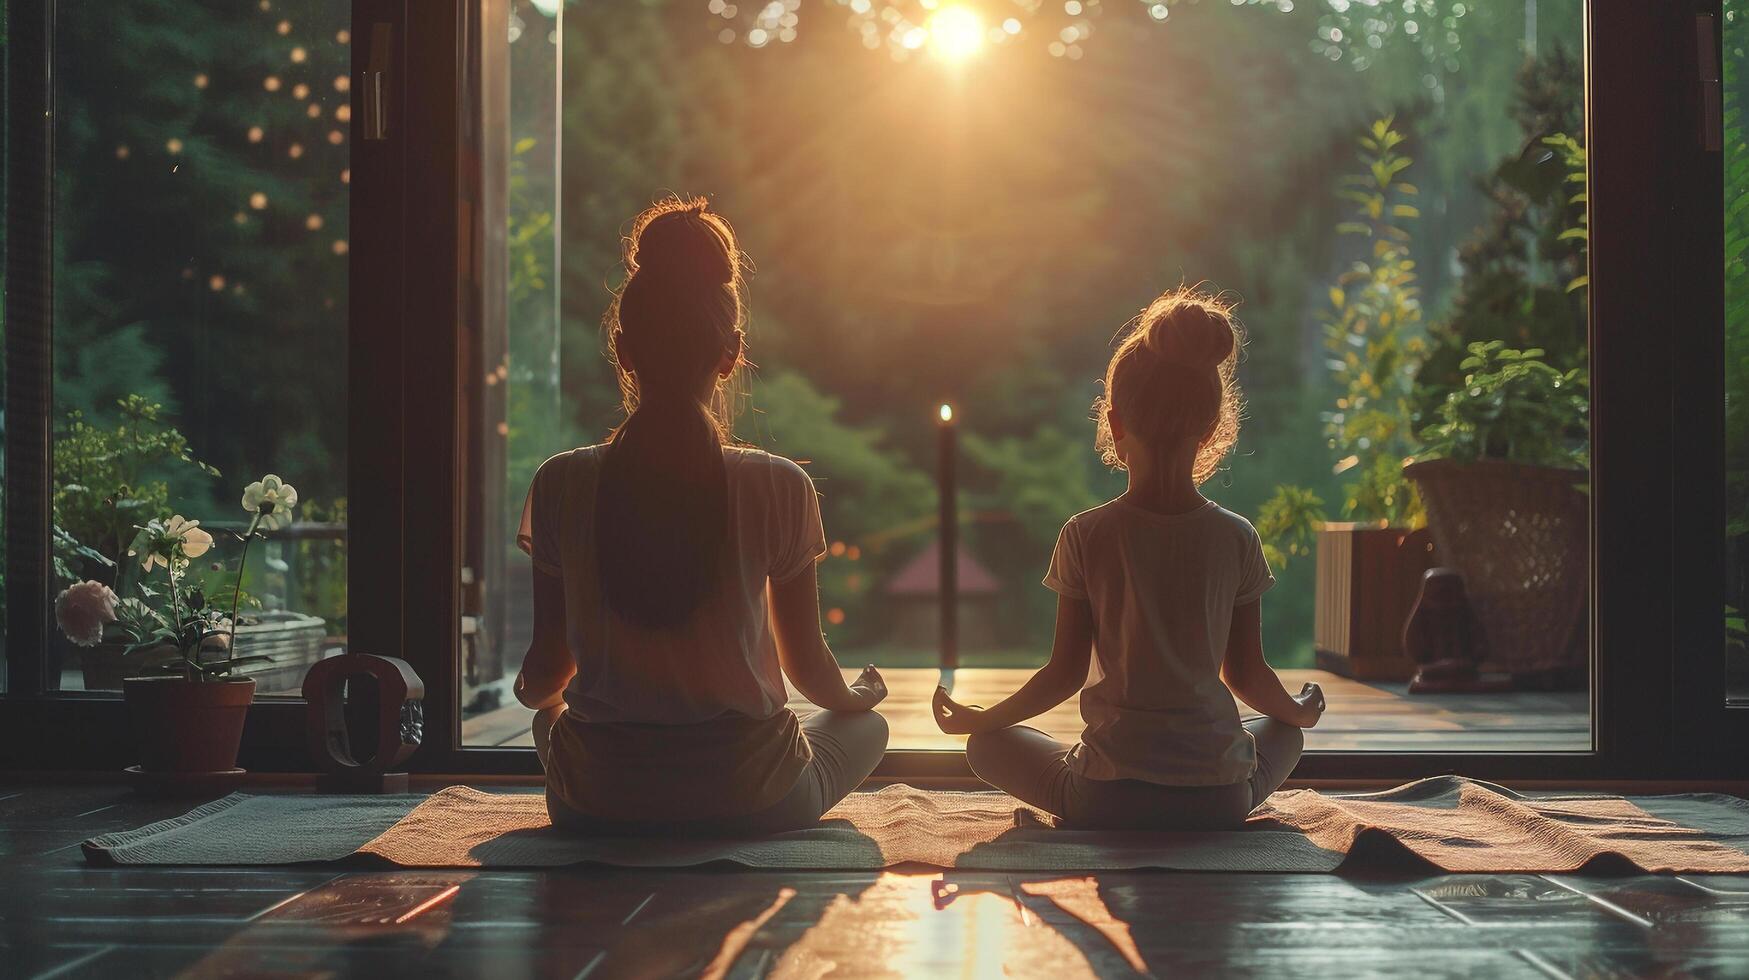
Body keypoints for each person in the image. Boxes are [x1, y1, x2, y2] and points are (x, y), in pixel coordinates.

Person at [516, 197, 889, 836]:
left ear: (623, 350)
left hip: (597, 803)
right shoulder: (779, 484)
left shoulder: (560, 482)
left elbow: (545, 675)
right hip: (750, 798)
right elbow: (806, 667)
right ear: (731, 352)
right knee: (870, 728)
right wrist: (856, 700)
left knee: (546, 718)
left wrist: (538, 696)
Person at [931, 286, 1325, 831]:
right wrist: (1300, 711)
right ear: (1212, 430)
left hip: (1106, 796)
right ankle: (1225, 792)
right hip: (1216, 801)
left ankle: (1083, 793)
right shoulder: (1236, 537)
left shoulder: (1086, 535)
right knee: (1283, 732)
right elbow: (1246, 674)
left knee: (987, 747)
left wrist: (984, 718)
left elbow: (1063, 675)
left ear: (1116, 425)